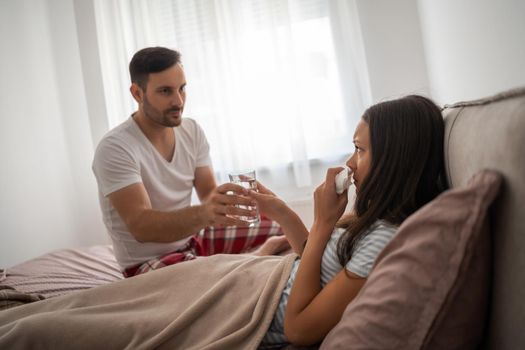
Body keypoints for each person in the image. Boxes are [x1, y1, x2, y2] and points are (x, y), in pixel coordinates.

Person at [250, 94, 447, 346]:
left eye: (359, 149)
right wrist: (282, 212)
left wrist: (323, 223)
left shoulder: (385, 239)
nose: (350, 163)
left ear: (393, 159)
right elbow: (318, 264)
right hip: (264, 282)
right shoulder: (380, 218)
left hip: (259, 308)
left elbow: (298, 330)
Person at [92, 47, 287, 277]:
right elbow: (141, 226)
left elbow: (208, 194)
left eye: (182, 88)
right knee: (218, 277)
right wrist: (206, 213)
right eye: (165, 91)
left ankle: (244, 258)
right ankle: (254, 258)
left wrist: (233, 203)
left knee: (278, 227)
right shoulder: (116, 147)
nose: (178, 101)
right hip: (149, 261)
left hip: (194, 240)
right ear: (137, 93)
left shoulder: (192, 130)